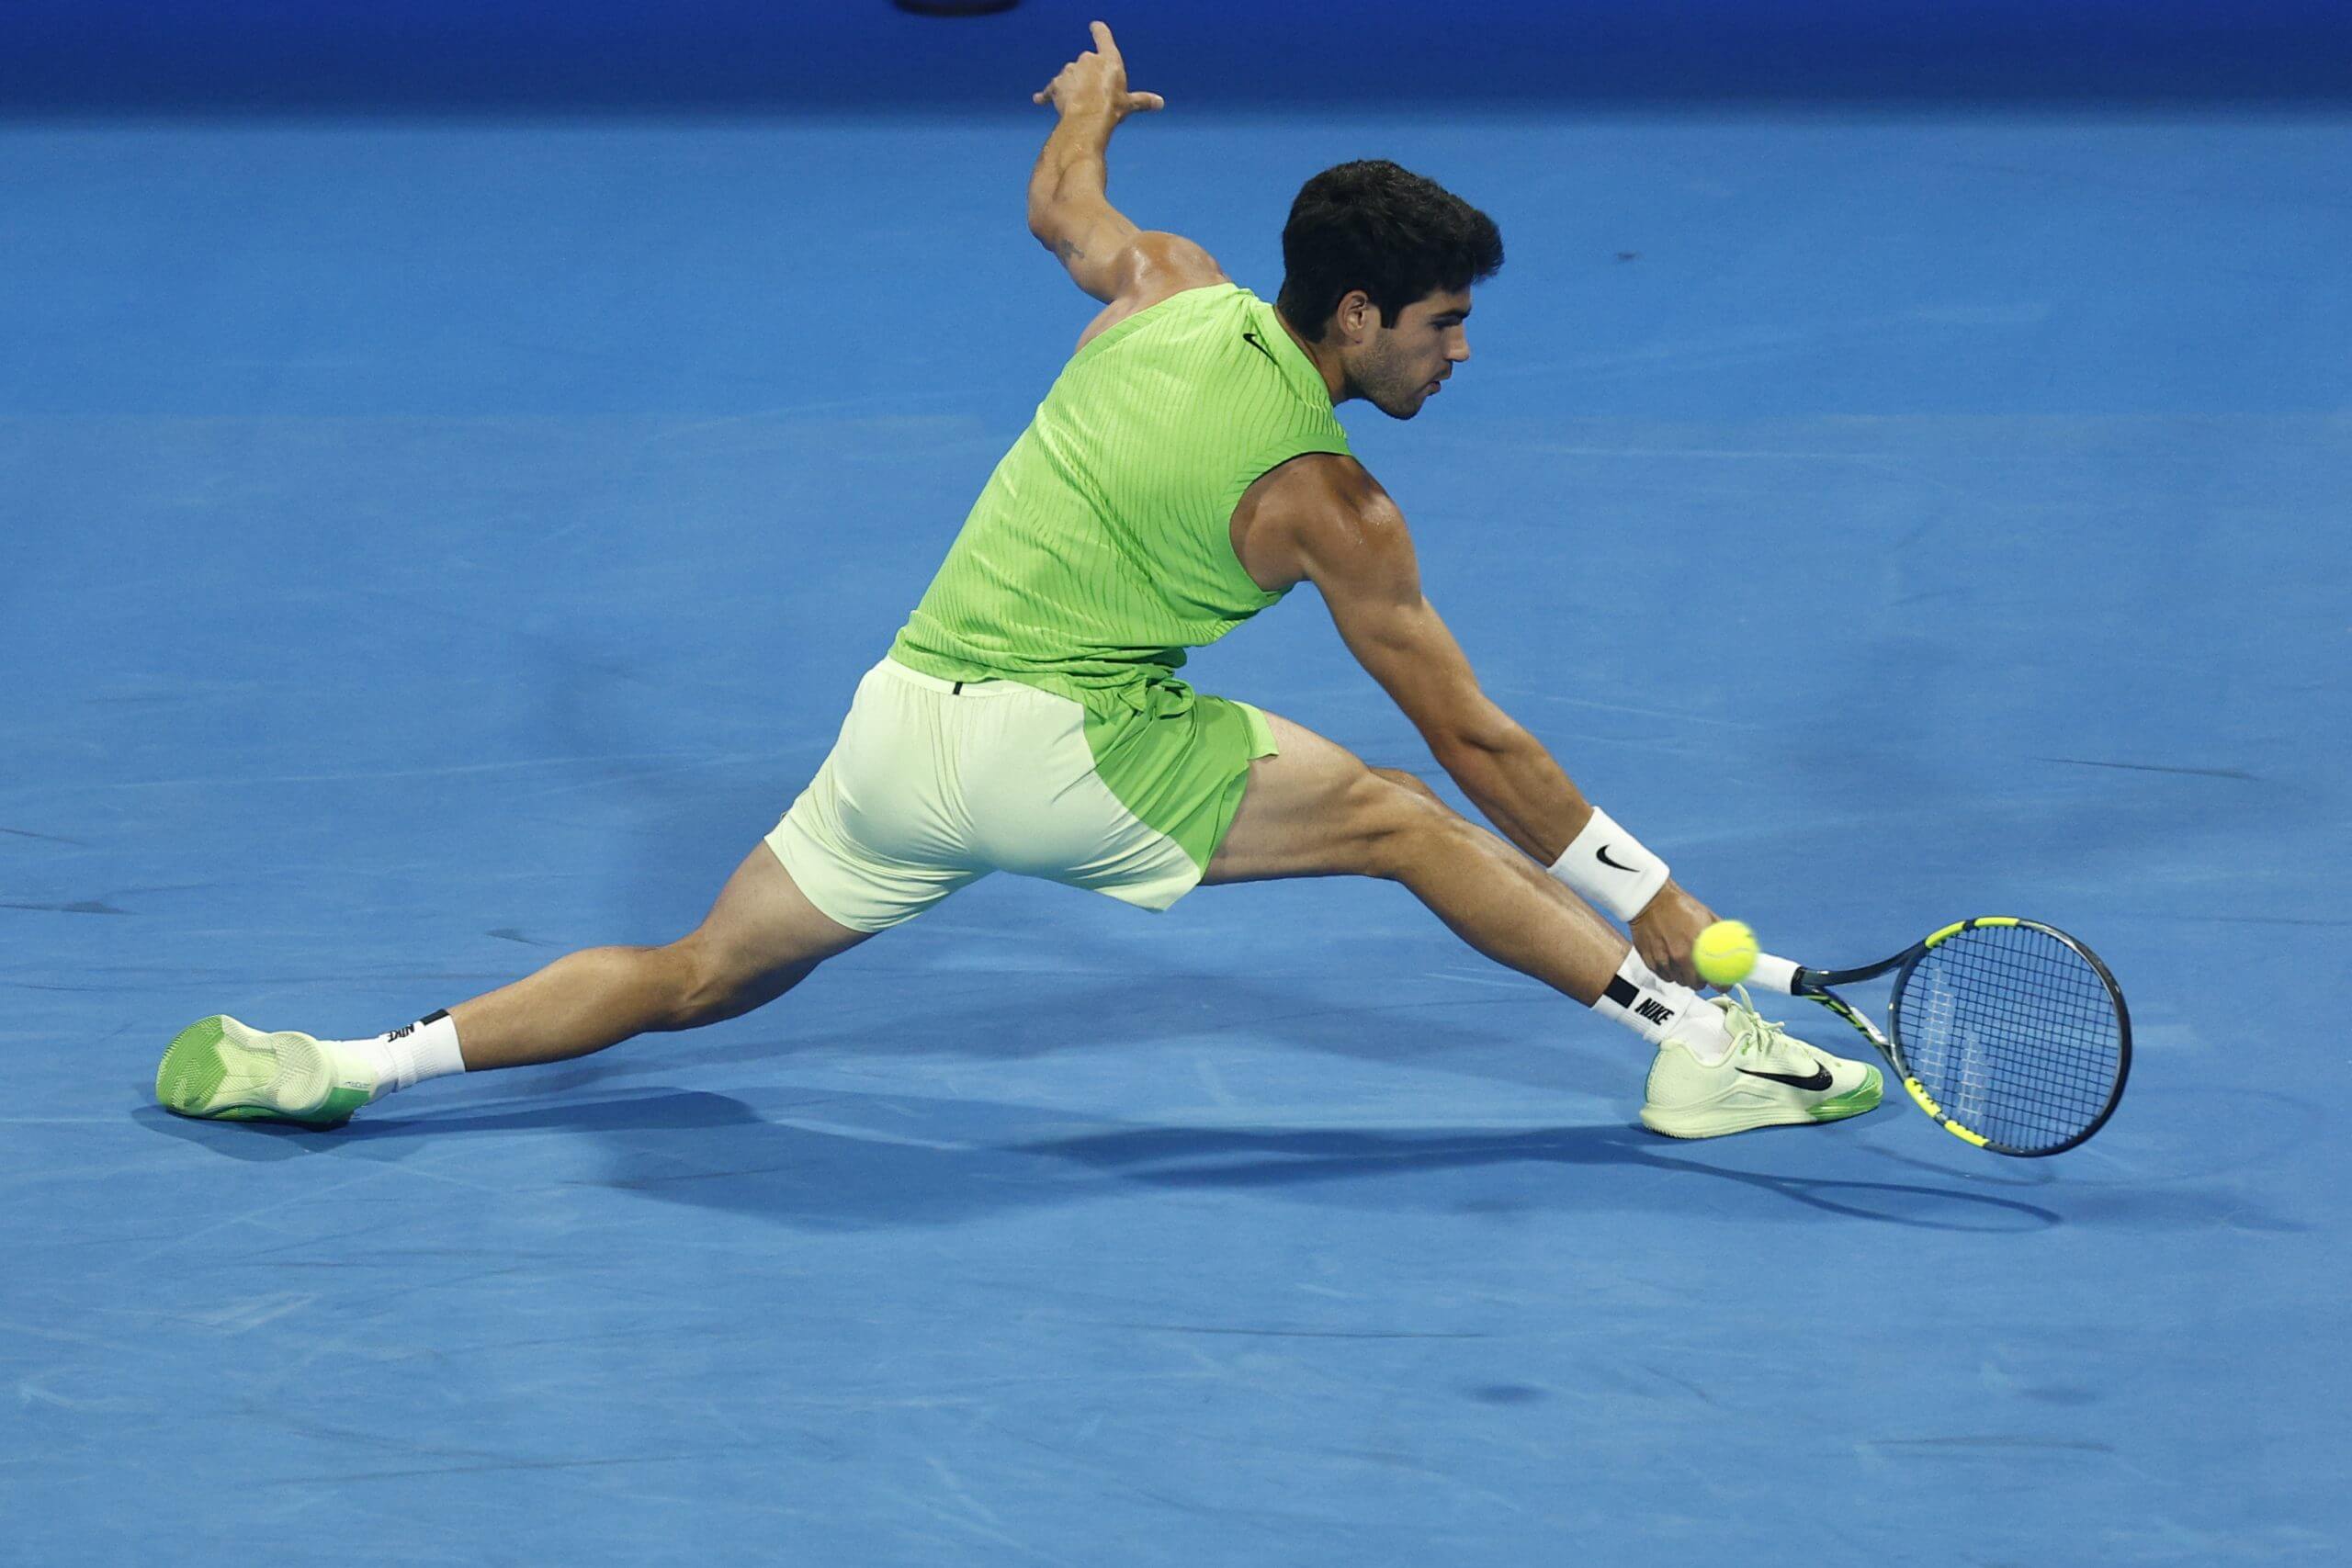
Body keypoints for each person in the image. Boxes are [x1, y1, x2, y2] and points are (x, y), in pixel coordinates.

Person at [156, 23, 1879, 1141]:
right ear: (1355, 317)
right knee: (1409, 823)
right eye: (1445, 322)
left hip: (900, 732)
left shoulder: (1166, 286)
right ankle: (1693, 1043)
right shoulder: (1331, 503)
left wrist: (1083, 111)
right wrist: (1644, 882)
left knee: (700, 972)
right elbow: (1482, 747)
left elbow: (1065, 206)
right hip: (1065, 760)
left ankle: (341, 1067)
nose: (1463, 351)